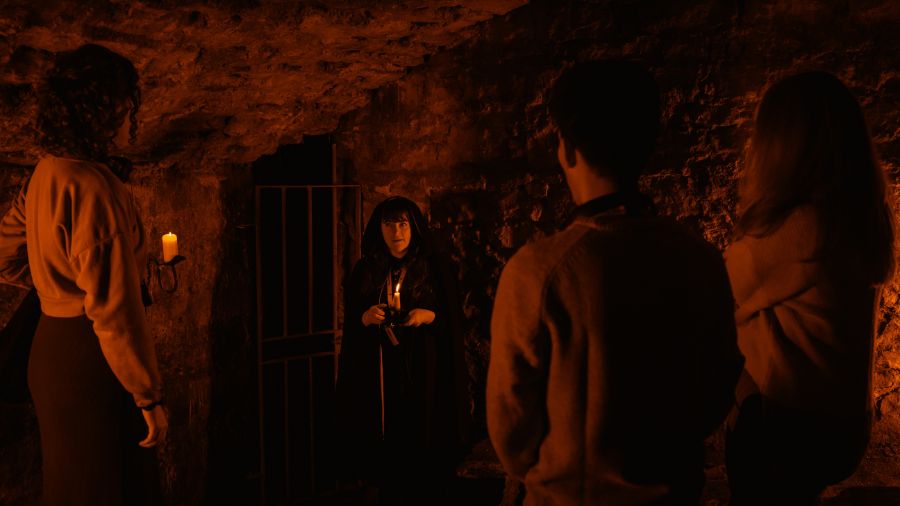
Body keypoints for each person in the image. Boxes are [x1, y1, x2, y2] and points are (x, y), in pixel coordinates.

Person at [486, 60, 744, 505]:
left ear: (566, 150)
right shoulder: (698, 260)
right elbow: (717, 389)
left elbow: (511, 428)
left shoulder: (537, 271)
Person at [0, 44, 166, 505]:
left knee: (73, 485)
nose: (127, 112)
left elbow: (3, 249)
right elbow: (114, 312)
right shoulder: (94, 187)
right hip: (90, 359)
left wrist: (52, 285)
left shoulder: (46, 172)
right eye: (122, 101)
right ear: (101, 108)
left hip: (50, 351)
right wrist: (148, 396)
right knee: (107, 486)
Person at [724, 71, 895, 505]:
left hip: (790, 428)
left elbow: (724, 289)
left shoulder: (799, 228)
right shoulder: (861, 216)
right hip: (844, 423)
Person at [335, 196, 467, 505]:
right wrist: (366, 318)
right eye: (389, 224)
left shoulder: (434, 266)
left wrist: (426, 316)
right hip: (380, 367)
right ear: (379, 228)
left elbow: (453, 320)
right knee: (385, 429)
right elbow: (356, 318)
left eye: (404, 224)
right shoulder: (367, 269)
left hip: (424, 363)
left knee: (421, 424)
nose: (397, 232)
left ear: (414, 227)